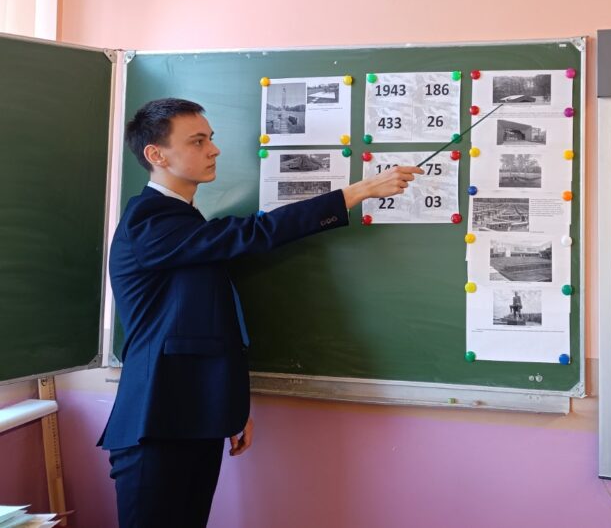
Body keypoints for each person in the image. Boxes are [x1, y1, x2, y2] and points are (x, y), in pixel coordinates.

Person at [98, 98, 422, 527]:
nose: (214, 150)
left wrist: (229, 407)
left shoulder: (185, 221)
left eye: (211, 139)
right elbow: (255, 232)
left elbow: (204, 326)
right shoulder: (149, 222)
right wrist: (356, 192)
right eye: (198, 141)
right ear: (156, 155)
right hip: (155, 423)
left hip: (195, 417)